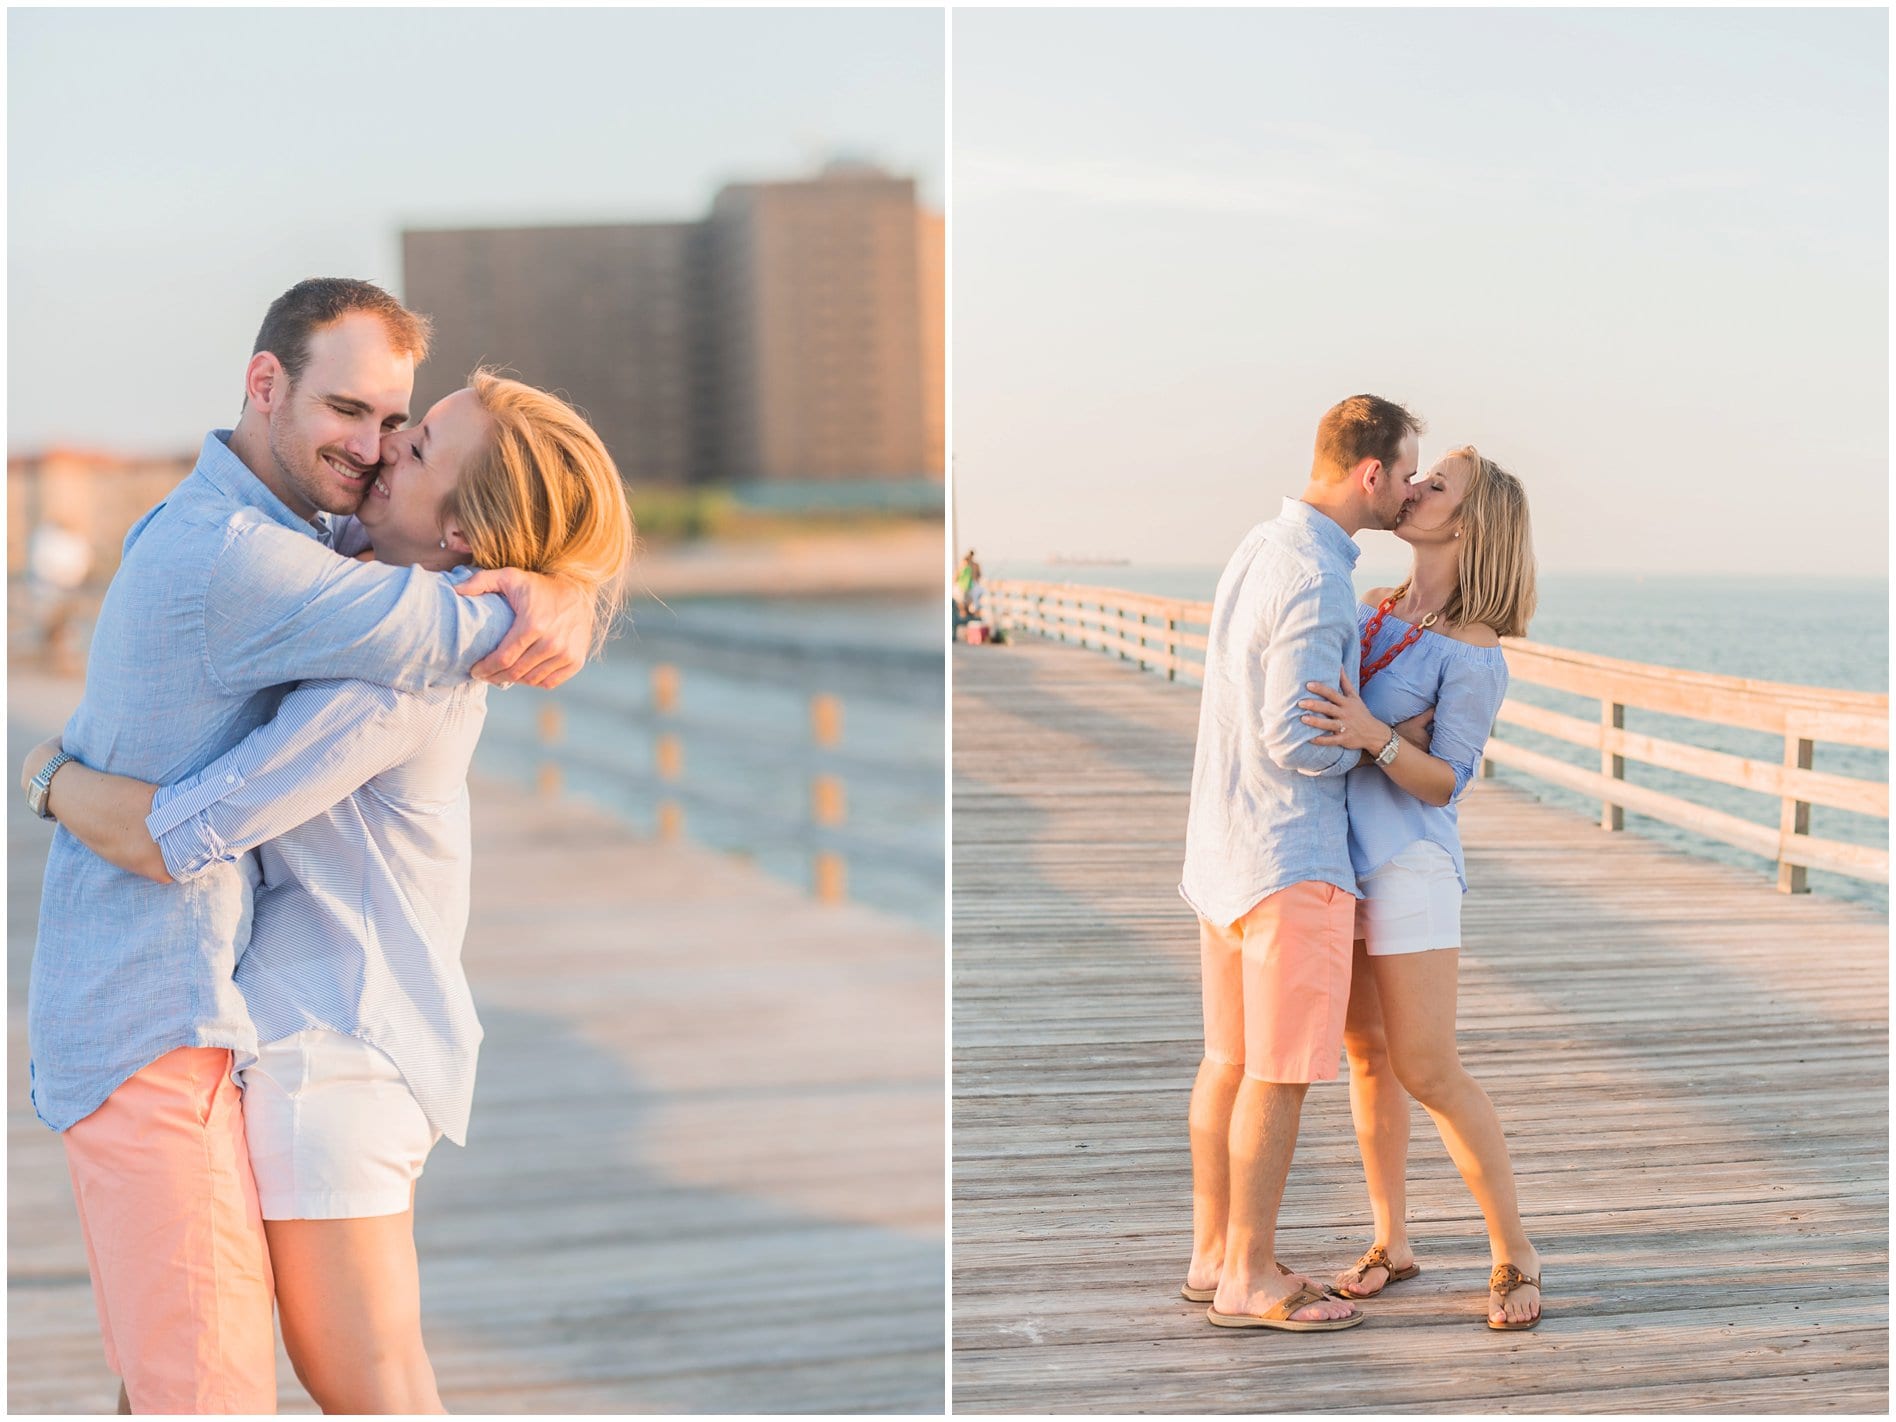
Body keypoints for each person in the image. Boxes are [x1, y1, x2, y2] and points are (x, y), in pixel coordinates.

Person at [21, 278, 600, 1414]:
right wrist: (545, 592)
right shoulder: (258, 555)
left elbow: (181, 833)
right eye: (356, 414)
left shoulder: (360, 616)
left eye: (404, 432)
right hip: (175, 1024)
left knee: (310, 1386)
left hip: (312, 1045)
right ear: (263, 384)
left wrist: (549, 584)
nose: (378, 452)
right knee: (218, 1385)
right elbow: (451, 611)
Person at [1177, 394, 1422, 1331]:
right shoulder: (1319, 578)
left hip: (1222, 850)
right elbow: (1297, 738)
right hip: (1290, 855)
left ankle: (1212, 1256)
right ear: (1370, 474)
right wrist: (1374, 738)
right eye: (1405, 474)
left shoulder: (1257, 549)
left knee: (1227, 1061)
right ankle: (1250, 1278)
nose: (1407, 491)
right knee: (1276, 1073)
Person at [1294, 446, 1543, 1330]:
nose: (1416, 488)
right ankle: (1391, 1241)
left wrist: (1374, 734)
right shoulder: (1373, 609)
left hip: (1411, 867)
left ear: (1469, 524)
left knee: (1428, 1065)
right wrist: (1382, 730)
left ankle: (1514, 1251)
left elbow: (1449, 781)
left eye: (1438, 485)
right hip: (1337, 858)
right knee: (1366, 1058)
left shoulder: (1474, 652)